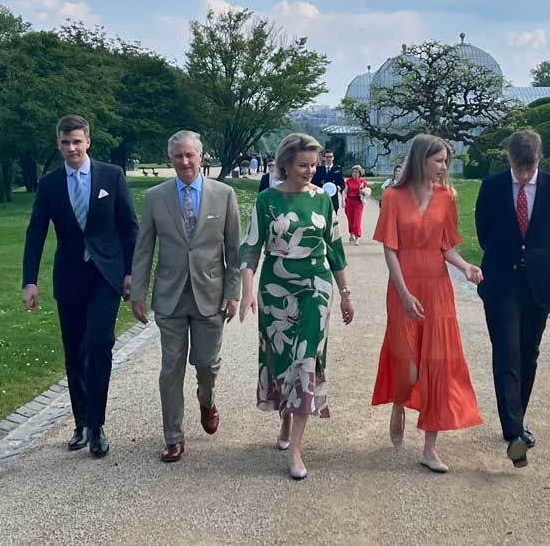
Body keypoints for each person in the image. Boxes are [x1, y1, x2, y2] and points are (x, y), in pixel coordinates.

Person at [238, 133, 354, 480]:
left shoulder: (322, 201)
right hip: (275, 287)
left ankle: (298, 452)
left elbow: (335, 249)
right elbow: (250, 249)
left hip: (315, 287)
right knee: (281, 359)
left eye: (314, 165)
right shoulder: (267, 201)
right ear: (285, 164)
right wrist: (248, 291)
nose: (310, 171)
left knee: (306, 358)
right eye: (303, 165)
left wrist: (346, 292)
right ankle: (285, 419)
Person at [22, 114, 138, 459]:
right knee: (74, 351)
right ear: (58, 144)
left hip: (106, 275)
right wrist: (29, 280)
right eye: (64, 142)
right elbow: (36, 233)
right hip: (70, 276)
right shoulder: (50, 184)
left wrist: (131, 272)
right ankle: (81, 422)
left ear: (87, 142)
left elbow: (129, 226)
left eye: (77, 141)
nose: (71, 148)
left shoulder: (111, 176)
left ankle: (98, 425)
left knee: (99, 345)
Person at [371, 134, 483, 473]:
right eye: (439, 160)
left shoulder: (447, 197)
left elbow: (446, 246)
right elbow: (389, 249)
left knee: (437, 365)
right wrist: (404, 294)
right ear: (421, 160)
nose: (444, 167)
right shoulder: (392, 196)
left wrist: (465, 267)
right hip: (403, 287)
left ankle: (430, 448)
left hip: (437, 290)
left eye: (446, 161)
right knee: (408, 363)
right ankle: (400, 400)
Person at [129, 131, 242, 463]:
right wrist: (138, 291)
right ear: (170, 159)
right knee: (170, 369)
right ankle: (173, 436)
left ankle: (207, 402)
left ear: (201, 156)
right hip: (171, 296)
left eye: (190, 155)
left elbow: (234, 250)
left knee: (207, 366)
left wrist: (232, 292)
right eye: (178, 156)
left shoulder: (224, 195)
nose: (184, 161)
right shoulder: (155, 197)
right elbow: (144, 248)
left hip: (210, 294)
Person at [474, 129, 550, 468]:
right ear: (509, 160)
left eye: (529, 168)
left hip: (538, 282)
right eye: (519, 168)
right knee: (507, 353)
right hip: (501, 283)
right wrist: (508, 256)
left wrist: (535, 257)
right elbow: (484, 232)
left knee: (529, 353)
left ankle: (516, 420)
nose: (524, 174)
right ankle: (514, 430)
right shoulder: (492, 187)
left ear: (539, 159)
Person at [312, 149, 346, 214]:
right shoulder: (319, 170)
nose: (328, 158)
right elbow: (314, 183)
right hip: (322, 198)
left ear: (333, 158)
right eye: (327, 157)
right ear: (324, 158)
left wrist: (338, 188)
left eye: (330, 157)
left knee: (333, 220)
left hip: (333, 199)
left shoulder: (338, 169)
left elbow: (342, 184)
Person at [343, 165, 370, 245]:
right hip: (349, 202)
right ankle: (351, 234)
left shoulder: (363, 182)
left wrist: (363, 192)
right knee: (350, 220)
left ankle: (357, 238)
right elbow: (345, 191)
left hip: (358, 202)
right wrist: (342, 200)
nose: (354, 174)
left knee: (357, 221)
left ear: (359, 173)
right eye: (353, 172)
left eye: (356, 172)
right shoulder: (348, 181)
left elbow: (367, 192)